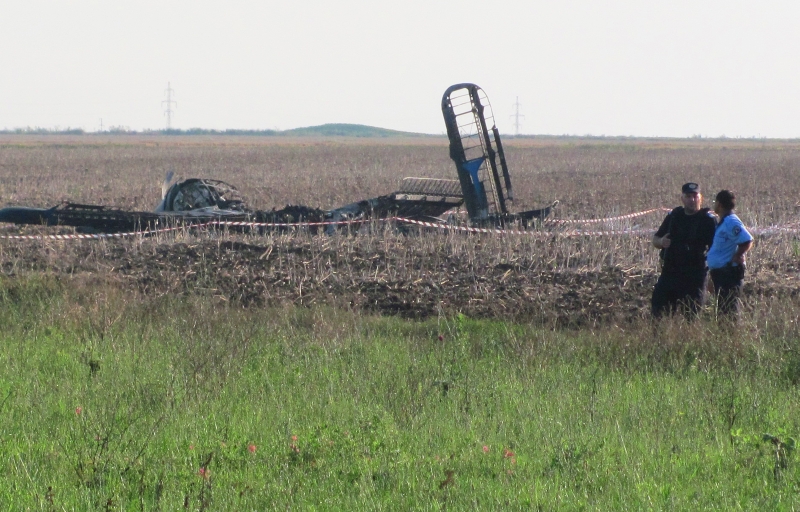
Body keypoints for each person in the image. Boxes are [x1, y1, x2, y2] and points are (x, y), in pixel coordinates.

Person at [651, 182, 717, 318]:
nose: (692, 200)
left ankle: (689, 338)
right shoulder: (674, 216)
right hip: (671, 273)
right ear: (682, 198)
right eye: (688, 196)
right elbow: (655, 240)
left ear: (701, 198)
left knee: (691, 316)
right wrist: (662, 242)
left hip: (695, 276)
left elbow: (715, 250)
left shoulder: (708, 221)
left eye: (695, 196)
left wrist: (713, 278)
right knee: (658, 313)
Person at [707, 190, 753, 318]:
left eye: (715, 203)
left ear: (719, 204)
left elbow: (747, 240)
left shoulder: (731, 222)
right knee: (722, 311)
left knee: (729, 311)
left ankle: (733, 335)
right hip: (721, 274)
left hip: (729, 274)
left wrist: (738, 255)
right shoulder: (724, 222)